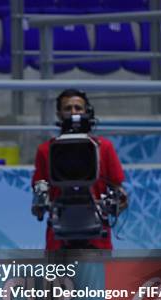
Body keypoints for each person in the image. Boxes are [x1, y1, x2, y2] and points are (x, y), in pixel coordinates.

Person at [32, 89, 128, 250]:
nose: (73, 112)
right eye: (68, 108)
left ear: (87, 112)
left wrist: (118, 204)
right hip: (58, 238)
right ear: (59, 114)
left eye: (78, 108)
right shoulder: (46, 150)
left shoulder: (104, 147)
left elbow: (119, 190)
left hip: (97, 238)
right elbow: (39, 194)